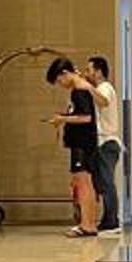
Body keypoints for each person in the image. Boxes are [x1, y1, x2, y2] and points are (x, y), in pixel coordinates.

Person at [45, 56, 101, 237]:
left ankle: (87, 225)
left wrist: (63, 119)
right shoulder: (80, 88)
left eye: (59, 80)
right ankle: (88, 223)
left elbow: (86, 117)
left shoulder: (79, 90)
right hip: (82, 143)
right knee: (84, 183)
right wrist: (63, 118)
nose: (60, 84)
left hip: (82, 144)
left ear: (64, 73)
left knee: (83, 184)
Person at [86, 56, 123, 233]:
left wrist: (87, 87)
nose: (87, 73)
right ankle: (108, 218)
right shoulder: (98, 88)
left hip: (107, 142)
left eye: (89, 70)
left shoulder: (105, 88)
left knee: (107, 182)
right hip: (101, 142)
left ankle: (112, 221)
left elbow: (103, 101)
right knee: (102, 182)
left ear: (98, 72)